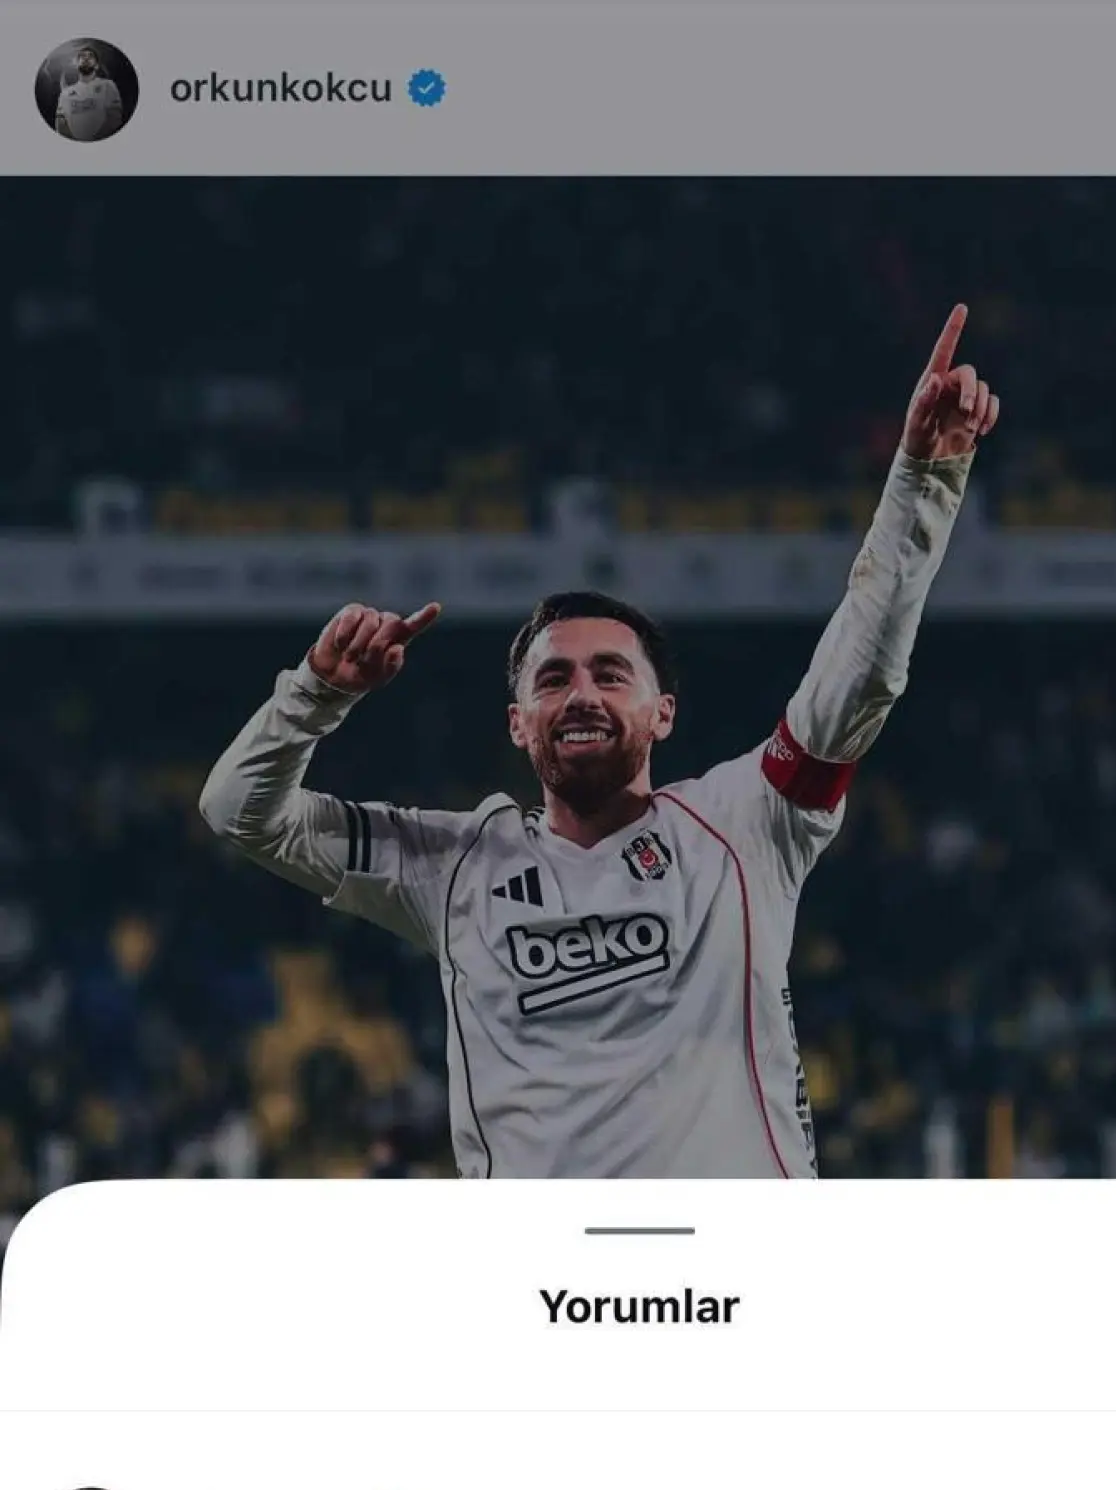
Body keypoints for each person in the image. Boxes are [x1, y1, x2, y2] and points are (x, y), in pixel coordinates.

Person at [200, 305, 1000, 1178]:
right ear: (518, 723)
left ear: (664, 713)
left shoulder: (747, 823)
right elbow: (239, 811)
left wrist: (924, 482)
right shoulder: (453, 866)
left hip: (740, 1258)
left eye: (610, 674)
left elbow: (862, 674)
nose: (581, 693)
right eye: (553, 680)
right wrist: (316, 694)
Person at [55, 45, 124, 143]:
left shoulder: (108, 85)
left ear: (97, 65)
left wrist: (94, 142)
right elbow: (61, 124)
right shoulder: (65, 93)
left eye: (90, 56)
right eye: (82, 56)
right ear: (76, 65)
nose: (86, 58)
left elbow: (114, 118)